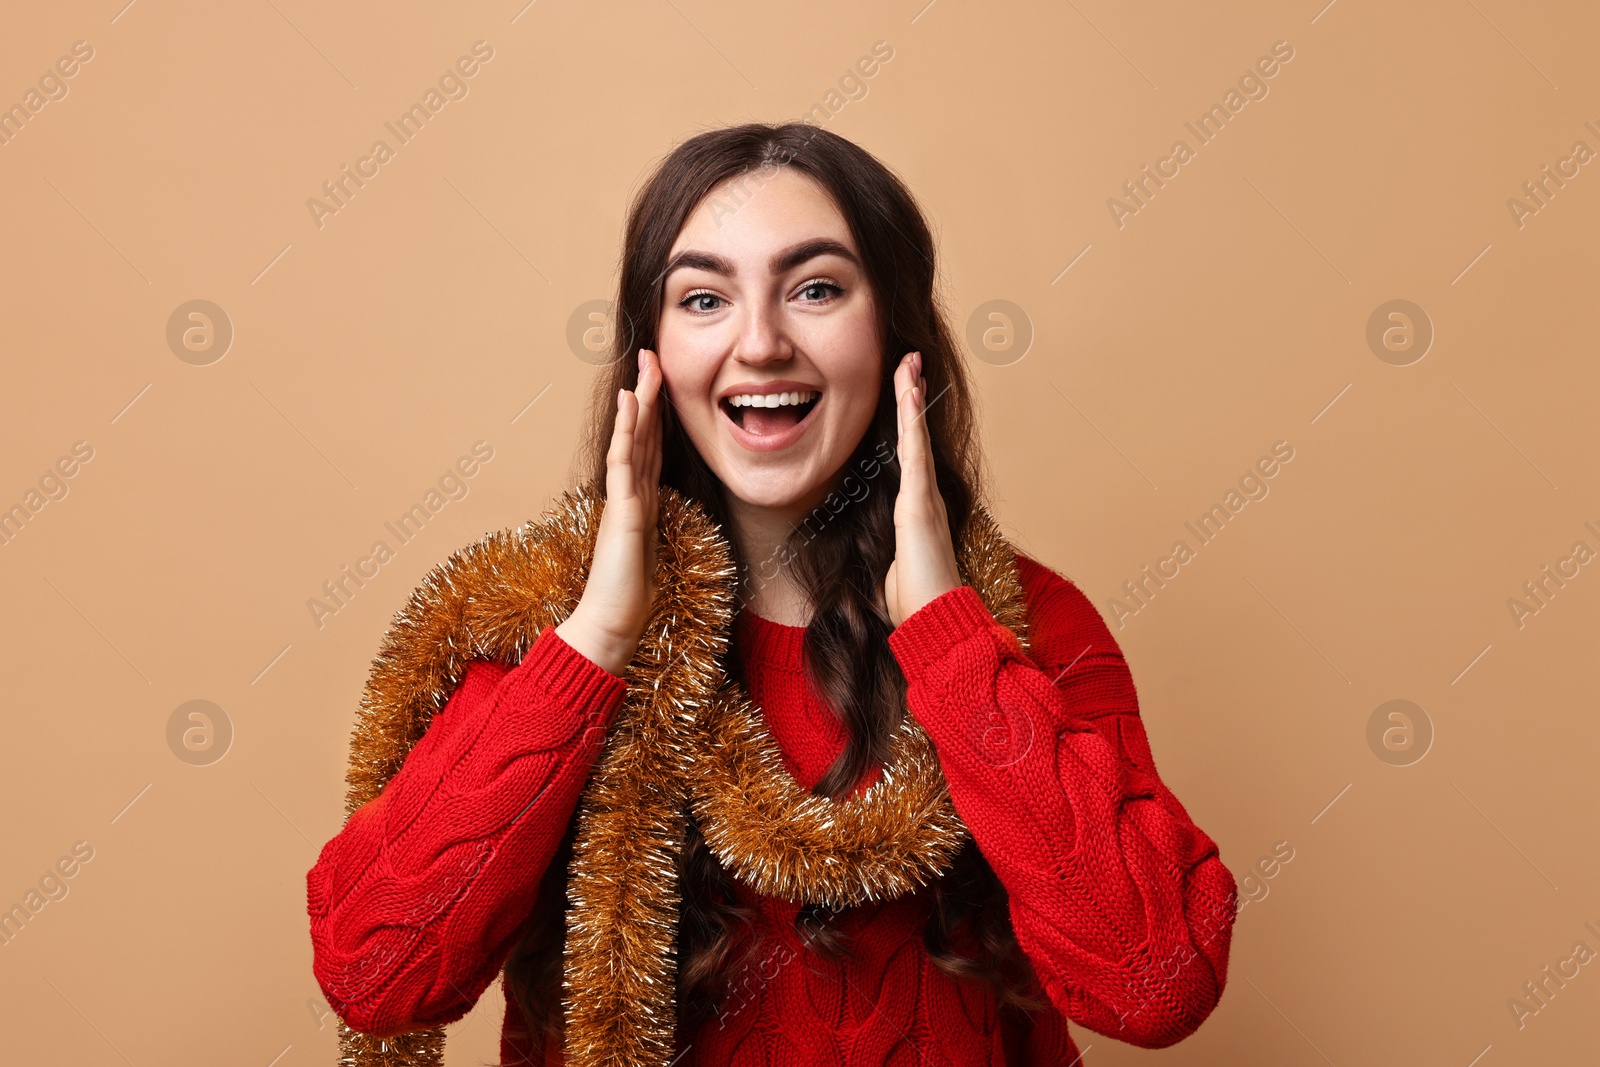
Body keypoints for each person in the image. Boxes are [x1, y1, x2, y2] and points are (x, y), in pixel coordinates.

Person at [306, 122, 1237, 1066]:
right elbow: (376, 976)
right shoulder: (548, 623)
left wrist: (952, 640)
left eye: (817, 289)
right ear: (651, 355)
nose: (760, 342)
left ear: (897, 333)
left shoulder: (1027, 624)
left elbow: (1158, 983)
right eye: (705, 298)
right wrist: (596, 638)